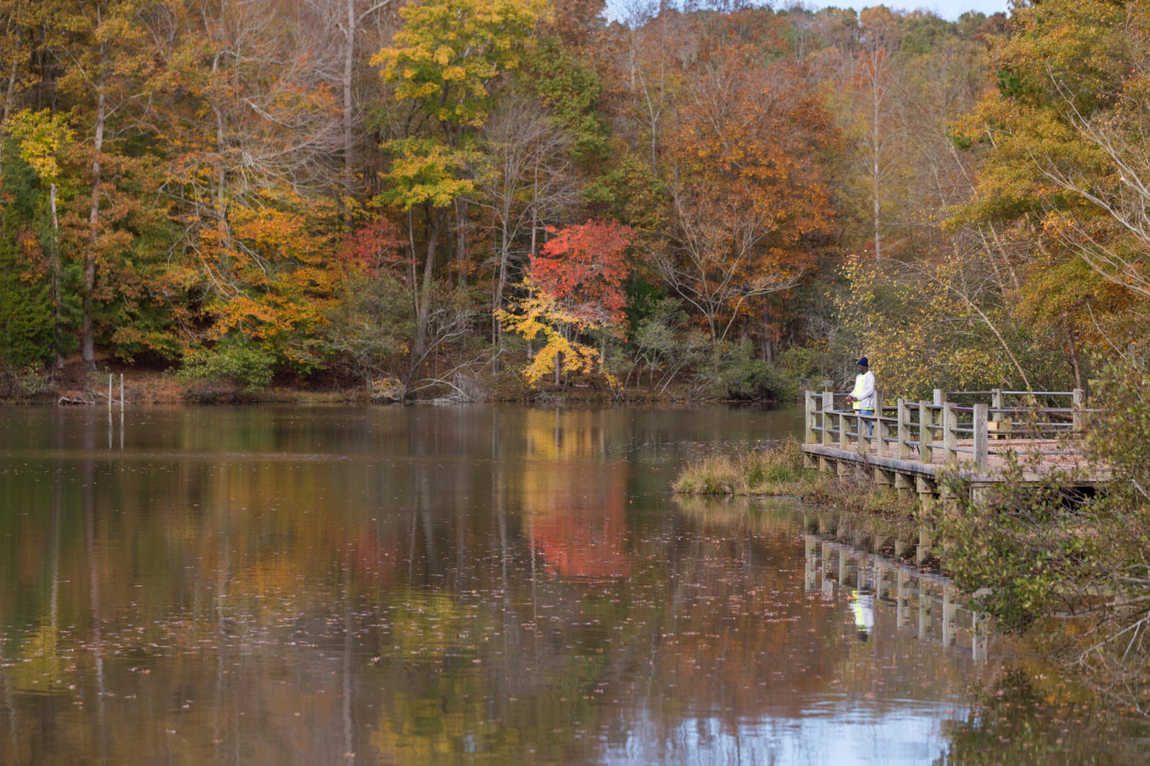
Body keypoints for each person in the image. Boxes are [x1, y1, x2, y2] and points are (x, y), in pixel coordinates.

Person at [847, 357, 875, 436]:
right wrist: (850, 395)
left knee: (866, 425)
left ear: (865, 366)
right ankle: (861, 444)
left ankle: (867, 445)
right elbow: (856, 390)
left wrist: (858, 397)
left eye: (860, 366)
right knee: (859, 425)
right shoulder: (858, 377)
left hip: (866, 405)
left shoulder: (870, 376)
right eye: (858, 366)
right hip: (857, 405)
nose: (859, 368)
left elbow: (870, 391)